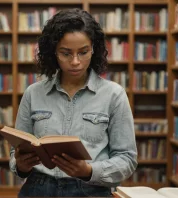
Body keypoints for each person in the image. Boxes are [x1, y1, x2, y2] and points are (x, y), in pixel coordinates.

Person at [9, 8, 137, 197]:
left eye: (83, 52)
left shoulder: (114, 95)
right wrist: (20, 165)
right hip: (38, 188)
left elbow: (127, 159)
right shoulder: (33, 93)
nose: (75, 61)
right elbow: (15, 153)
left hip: (90, 189)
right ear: (53, 52)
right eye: (66, 53)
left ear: (94, 49)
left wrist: (88, 171)